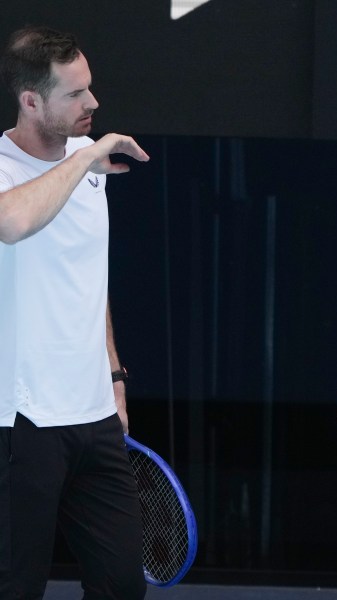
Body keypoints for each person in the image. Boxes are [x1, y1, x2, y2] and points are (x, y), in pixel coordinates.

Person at [0, 25, 150, 599]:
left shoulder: (89, 170)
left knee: (120, 589)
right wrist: (89, 157)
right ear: (30, 100)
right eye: (75, 94)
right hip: (21, 426)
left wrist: (113, 377)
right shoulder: (15, 169)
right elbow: (14, 222)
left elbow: (88, 280)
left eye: (90, 88)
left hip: (95, 421)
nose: (93, 103)